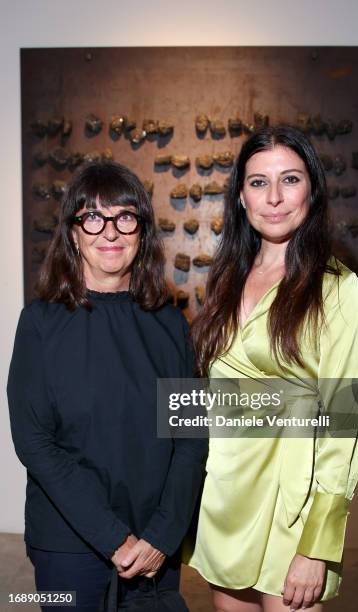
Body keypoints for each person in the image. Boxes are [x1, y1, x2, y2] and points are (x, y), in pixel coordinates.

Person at [185, 126, 358, 611]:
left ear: (311, 189)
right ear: (240, 196)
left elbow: (344, 422)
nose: (274, 198)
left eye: (289, 179)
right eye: (258, 182)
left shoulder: (337, 288)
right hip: (226, 497)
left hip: (294, 510)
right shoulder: (225, 278)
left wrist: (318, 543)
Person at [8, 160, 207, 611]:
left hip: (156, 547)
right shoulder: (39, 324)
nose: (110, 232)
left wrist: (162, 534)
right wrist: (113, 538)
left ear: (142, 230)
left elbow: (191, 439)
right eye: (93, 217)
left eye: (125, 217)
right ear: (73, 232)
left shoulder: (173, 325)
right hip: (69, 546)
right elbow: (35, 443)